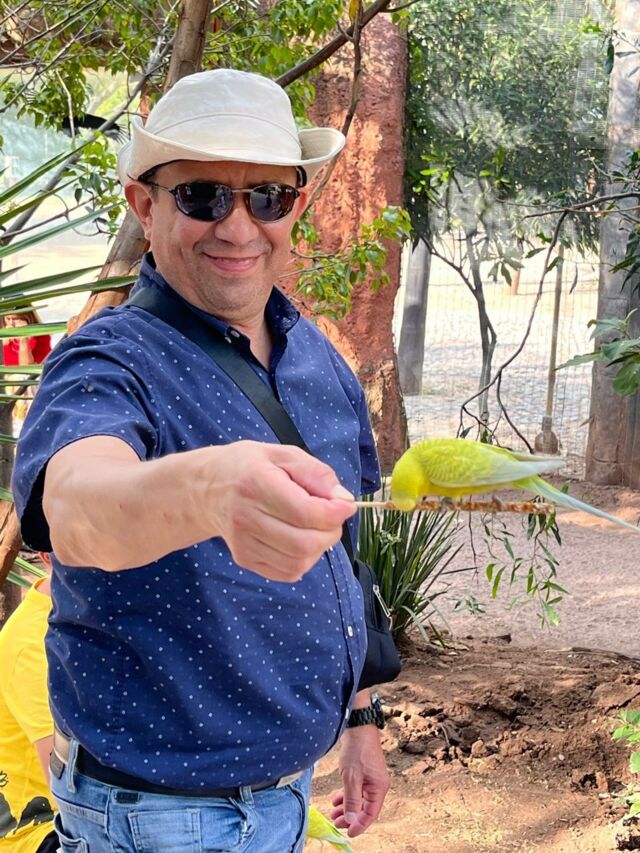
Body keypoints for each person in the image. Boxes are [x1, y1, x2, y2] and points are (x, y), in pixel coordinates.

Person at [12, 68, 389, 852]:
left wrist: (361, 717)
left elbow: (345, 553)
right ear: (144, 204)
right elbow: (78, 505)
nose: (239, 227)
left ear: (298, 205)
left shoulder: (317, 359)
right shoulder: (107, 361)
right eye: (203, 196)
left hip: (286, 794)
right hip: (158, 819)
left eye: (268, 197)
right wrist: (211, 490)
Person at [0, 555, 58, 853]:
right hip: (36, 830)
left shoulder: (87, 619)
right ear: (48, 555)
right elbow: (66, 782)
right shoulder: (32, 646)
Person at [1, 310, 51, 436]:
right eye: (8, 319)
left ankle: (21, 430)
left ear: (27, 318)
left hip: (27, 383)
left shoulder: (41, 336)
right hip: (7, 383)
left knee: (21, 379)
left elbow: (26, 367)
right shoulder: (3, 336)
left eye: (15, 319)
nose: (11, 323)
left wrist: (23, 338)